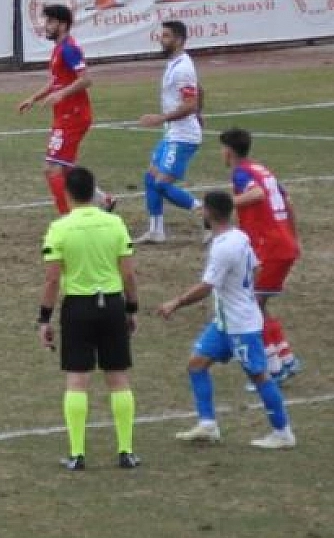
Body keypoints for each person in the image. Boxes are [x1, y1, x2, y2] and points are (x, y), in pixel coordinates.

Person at [156, 189, 296, 449]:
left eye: (203, 209)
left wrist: (175, 303)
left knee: (259, 376)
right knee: (196, 365)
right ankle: (208, 425)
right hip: (225, 322)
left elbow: (206, 287)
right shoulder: (239, 236)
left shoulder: (223, 247)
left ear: (209, 212)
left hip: (241, 325)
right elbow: (256, 268)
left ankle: (283, 433)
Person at [37, 166, 140, 472]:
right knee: (118, 378)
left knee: (77, 380)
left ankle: (77, 454)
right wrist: (131, 308)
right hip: (112, 305)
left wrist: (44, 319)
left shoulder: (59, 228)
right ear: (94, 191)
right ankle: (126, 452)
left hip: (77, 309)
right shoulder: (115, 223)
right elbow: (128, 274)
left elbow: (52, 280)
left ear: (66, 193)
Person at [221, 129, 302, 382]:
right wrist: (294, 237)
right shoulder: (262, 169)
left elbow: (256, 194)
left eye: (222, 148)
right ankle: (286, 358)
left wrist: (224, 205)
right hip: (283, 244)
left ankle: (273, 368)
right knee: (259, 303)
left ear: (229, 151)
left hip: (270, 247)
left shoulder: (241, 173)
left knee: (251, 306)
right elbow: (288, 202)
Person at [17, 3, 114, 214]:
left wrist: (61, 94)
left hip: (73, 116)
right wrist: (34, 98)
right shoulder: (59, 49)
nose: (46, 26)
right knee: (64, 166)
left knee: (52, 168)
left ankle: (67, 217)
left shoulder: (69, 49)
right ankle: (103, 200)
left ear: (62, 25)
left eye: (50, 22)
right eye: (46, 21)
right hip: (65, 115)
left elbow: (86, 79)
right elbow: (56, 81)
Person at [135, 21, 202, 244]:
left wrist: (161, 118)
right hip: (173, 133)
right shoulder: (175, 63)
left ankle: (208, 215)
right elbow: (197, 92)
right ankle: (156, 231)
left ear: (179, 40)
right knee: (150, 178)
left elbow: (190, 103)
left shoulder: (183, 68)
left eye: (166, 36)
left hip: (183, 136)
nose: (161, 40)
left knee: (161, 183)